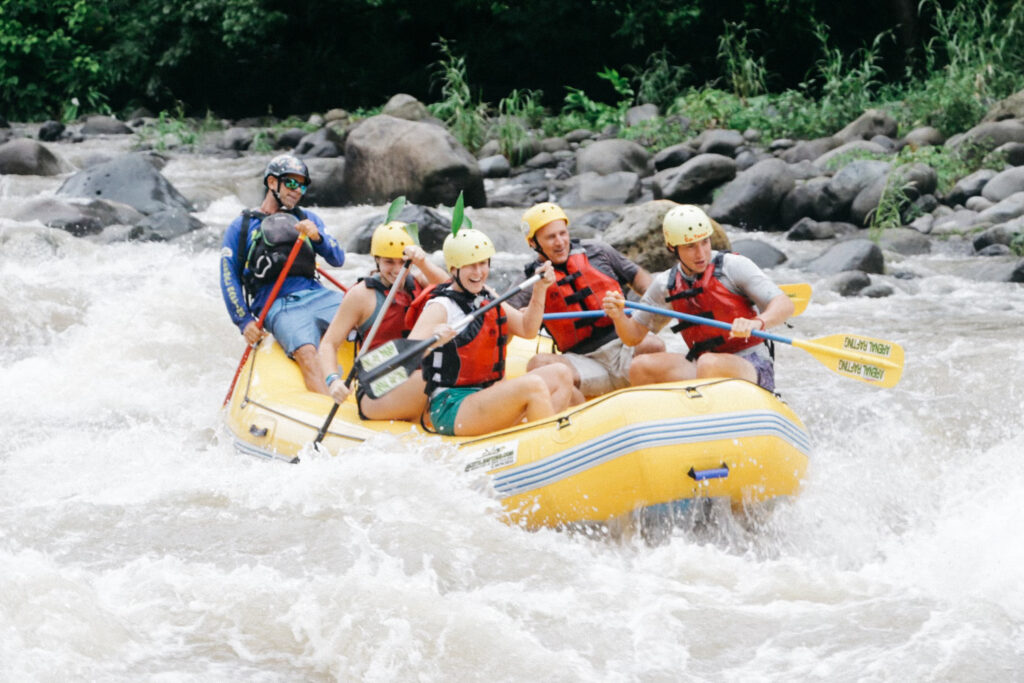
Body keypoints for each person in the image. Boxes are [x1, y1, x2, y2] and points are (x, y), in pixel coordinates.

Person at [602, 204, 795, 392]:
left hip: (751, 365)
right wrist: (618, 316)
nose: (701, 253)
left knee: (708, 363)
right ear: (672, 247)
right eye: (690, 246)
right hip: (703, 365)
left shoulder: (733, 266)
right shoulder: (664, 284)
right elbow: (632, 337)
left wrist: (757, 323)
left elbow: (784, 304)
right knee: (641, 366)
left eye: (705, 242)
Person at [407, 227, 574, 436]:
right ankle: (547, 444)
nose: (478, 273)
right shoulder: (441, 306)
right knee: (533, 385)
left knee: (561, 373)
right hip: (452, 406)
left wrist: (540, 289)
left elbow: (527, 328)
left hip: (488, 394)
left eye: (483, 264)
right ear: (453, 268)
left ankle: (535, 435)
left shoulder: (486, 295)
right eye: (470, 265)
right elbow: (406, 358)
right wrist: (433, 342)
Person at [508, 202, 665, 400]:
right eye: (550, 237)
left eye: (562, 233)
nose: (560, 242)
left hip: (623, 347)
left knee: (654, 344)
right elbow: (503, 324)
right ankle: (580, 413)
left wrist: (645, 320)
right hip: (582, 362)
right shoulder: (530, 281)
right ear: (533, 243)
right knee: (538, 365)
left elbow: (643, 282)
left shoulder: (598, 251)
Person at [220, 154, 346, 393]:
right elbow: (229, 277)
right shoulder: (243, 226)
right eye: (290, 182)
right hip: (277, 304)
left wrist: (317, 237)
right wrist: (244, 321)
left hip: (317, 295)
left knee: (368, 319)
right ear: (271, 183)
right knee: (308, 352)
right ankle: (327, 410)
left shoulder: (308, 218)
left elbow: (338, 258)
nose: (297, 190)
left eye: (302, 185)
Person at [317, 220, 449, 421]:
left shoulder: (420, 281)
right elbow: (328, 343)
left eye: (402, 262)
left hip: (413, 374)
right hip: (377, 385)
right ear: (376, 260)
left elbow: (451, 289)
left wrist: (423, 262)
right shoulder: (361, 295)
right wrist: (333, 380)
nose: (397, 270)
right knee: (433, 378)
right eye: (389, 262)